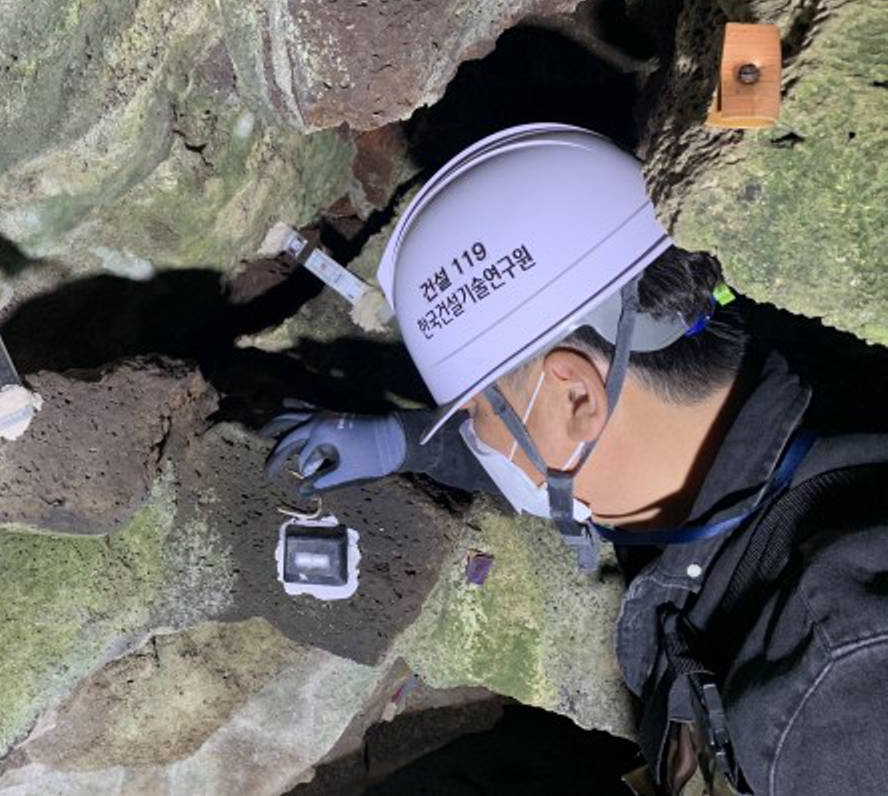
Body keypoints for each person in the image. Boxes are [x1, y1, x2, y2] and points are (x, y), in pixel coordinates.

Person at [262, 124, 888, 796]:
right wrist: (401, 440)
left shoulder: (843, 686)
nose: (479, 441)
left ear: (578, 396)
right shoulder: (724, 445)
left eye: (475, 416)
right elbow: (548, 445)